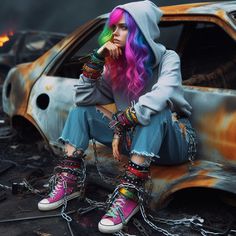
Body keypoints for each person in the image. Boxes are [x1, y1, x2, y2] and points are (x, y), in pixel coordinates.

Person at [38, 0, 196, 234]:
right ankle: (69, 181)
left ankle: (129, 195)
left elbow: (164, 94)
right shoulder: (115, 67)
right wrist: (97, 58)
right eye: (113, 28)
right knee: (81, 112)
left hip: (173, 142)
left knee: (156, 110)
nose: (115, 33)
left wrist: (125, 118)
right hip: (132, 138)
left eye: (123, 27)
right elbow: (83, 98)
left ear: (140, 31)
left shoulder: (167, 58)